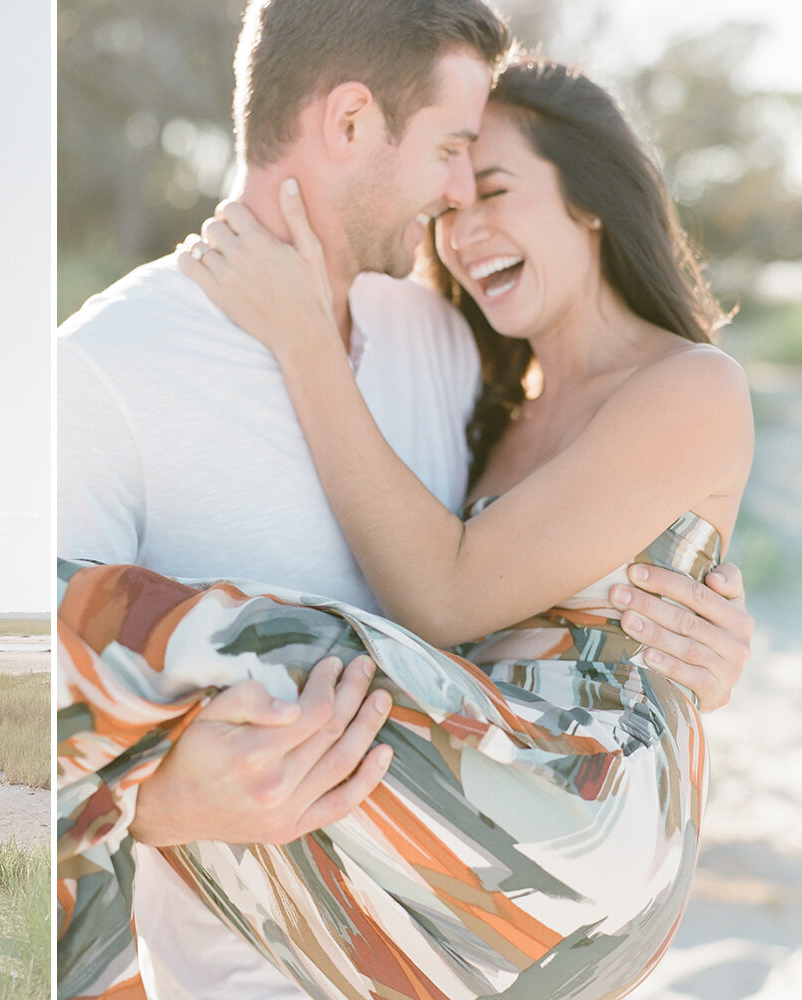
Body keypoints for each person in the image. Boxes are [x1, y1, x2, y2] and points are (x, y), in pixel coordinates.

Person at [56, 3, 755, 998]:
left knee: (277, 664)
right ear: (349, 123)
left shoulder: (440, 346)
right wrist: (159, 801)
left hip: (550, 839)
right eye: (452, 152)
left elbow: (453, 596)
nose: (458, 205)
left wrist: (704, 654)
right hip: (334, 946)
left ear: (591, 201)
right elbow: (27, 754)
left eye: (488, 173)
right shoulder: (101, 374)